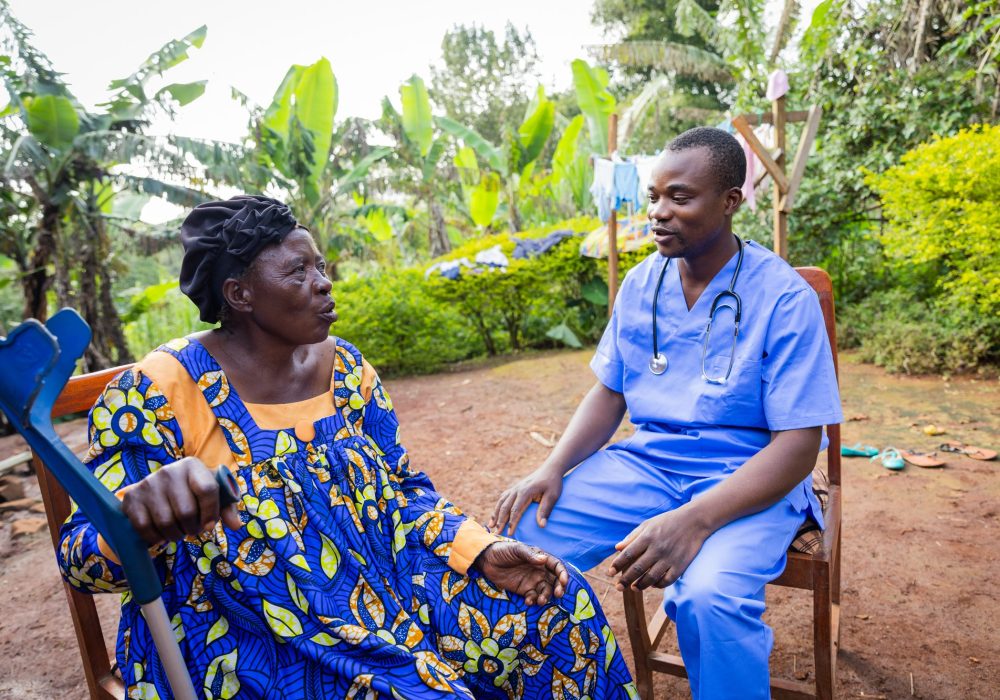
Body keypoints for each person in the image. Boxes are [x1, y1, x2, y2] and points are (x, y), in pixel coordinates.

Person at [58, 196, 635, 699]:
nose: (324, 282)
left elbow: (404, 490)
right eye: (298, 272)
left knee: (561, 616)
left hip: (392, 587)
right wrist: (137, 515)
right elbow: (83, 559)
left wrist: (479, 551)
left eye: (321, 265)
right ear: (239, 294)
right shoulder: (160, 388)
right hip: (252, 630)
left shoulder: (345, 367)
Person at [491, 127, 843, 700]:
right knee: (519, 541)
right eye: (654, 197)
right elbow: (611, 392)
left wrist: (695, 520)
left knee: (710, 599)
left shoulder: (783, 298)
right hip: (647, 466)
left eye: (680, 198)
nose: (658, 212)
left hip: (748, 479)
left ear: (730, 201)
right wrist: (551, 467)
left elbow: (798, 446)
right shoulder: (640, 284)